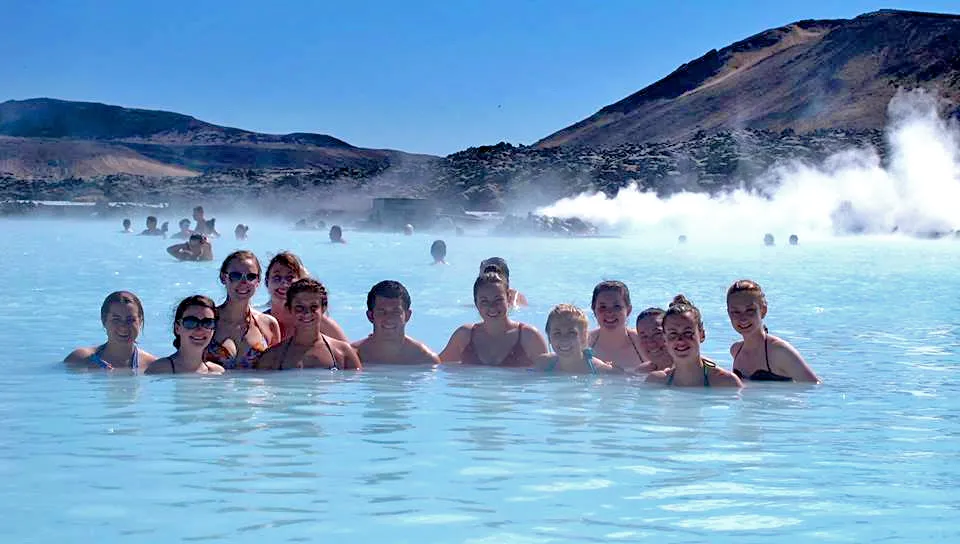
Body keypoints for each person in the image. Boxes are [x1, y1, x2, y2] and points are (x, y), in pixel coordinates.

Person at [438, 272, 547, 366]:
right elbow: (436, 367)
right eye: (484, 301)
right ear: (476, 303)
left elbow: (549, 375)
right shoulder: (464, 336)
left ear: (508, 299)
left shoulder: (528, 337)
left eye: (498, 300)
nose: (492, 307)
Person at [727, 279, 820, 383]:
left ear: (763, 310)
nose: (743, 318)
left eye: (750, 310)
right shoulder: (736, 350)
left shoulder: (780, 351)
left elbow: (814, 386)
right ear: (729, 313)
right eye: (736, 312)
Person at [258, 279, 362, 370]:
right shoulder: (272, 357)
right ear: (289, 309)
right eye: (300, 307)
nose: (307, 313)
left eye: (313, 307)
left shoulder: (343, 353)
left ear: (323, 308)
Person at [205, 251, 281, 369]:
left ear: (258, 281)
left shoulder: (269, 324)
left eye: (251, 277)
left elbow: (275, 373)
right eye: (236, 276)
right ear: (223, 277)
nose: (244, 282)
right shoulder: (205, 321)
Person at [646, 295, 742, 387]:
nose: (680, 340)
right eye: (673, 334)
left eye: (687, 333)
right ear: (665, 339)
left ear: (702, 335)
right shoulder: (655, 382)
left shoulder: (727, 383)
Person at [263, 252, 348, 341]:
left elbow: (348, 352)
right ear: (267, 281)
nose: (283, 283)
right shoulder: (259, 322)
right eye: (277, 277)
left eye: (290, 277)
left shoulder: (316, 321)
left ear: (300, 283)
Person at [64, 291, 157, 371]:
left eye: (130, 320)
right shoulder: (81, 359)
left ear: (140, 321)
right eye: (116, 319)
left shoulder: (152, 366)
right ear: (104, 320)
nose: (123, 326)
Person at [352, 280, 440, 365]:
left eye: (396, 312)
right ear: (370, 316)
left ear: (407, 315)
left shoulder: (426, 360)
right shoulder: (353, 356)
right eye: (381, 312)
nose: (389, 318)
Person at [145, 295, 225, 375]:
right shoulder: (159, 369)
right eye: (191, 322)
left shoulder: (217, 372)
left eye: (207, 323)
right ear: (177, 328)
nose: (199, 329)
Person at [533, 304, 616, 374]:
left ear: (584, 337)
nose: (564, 339)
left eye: (571, 333)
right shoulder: (543, 364)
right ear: (549, 337)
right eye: (557, 333)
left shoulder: (600, 370)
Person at [587, 281, 643, 370]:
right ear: (594, 310)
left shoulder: (643, 344)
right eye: (603, 307)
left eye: (617, 306)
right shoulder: (584, 343)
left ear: (628, 310)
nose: (609, 312)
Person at [631, 307, 673, 372]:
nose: (651, 343)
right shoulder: (641, 371)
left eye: (657, 334)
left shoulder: (691, 372)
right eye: (644, 336)